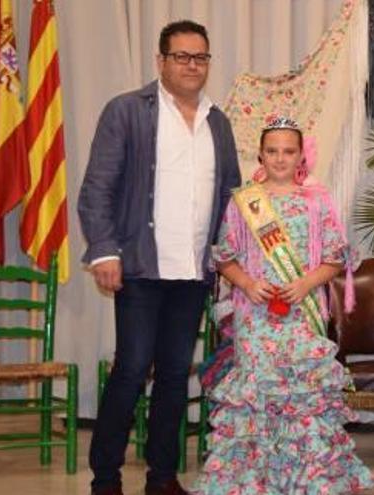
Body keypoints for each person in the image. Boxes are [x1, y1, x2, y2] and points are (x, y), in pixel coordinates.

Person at [78, 20, 241, 495]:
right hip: (140, 269)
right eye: (182, 57)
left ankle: (162, 477)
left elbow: (231, 196)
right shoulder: (128, 111)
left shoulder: (218, 121)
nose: (192, 66)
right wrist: (105, 250)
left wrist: (230, 263)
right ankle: (105, 479)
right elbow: (96, 190)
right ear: (161, 61)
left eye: (201, 57)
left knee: (174, 376)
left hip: (193, 272)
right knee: (131, 370)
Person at [190, 117, 374, 494]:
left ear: (300, 155)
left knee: (302, 395)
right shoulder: (245, 202)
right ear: (260, 153)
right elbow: (224, 257)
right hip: (255, 318)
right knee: (257, 397)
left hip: (302, 316)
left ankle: (307, 482)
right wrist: (247, 283)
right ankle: (253, 482)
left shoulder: (317, 200)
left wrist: (306, 283)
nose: (279, 158)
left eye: (288, 151)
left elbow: (336, 257)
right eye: (271, 151)